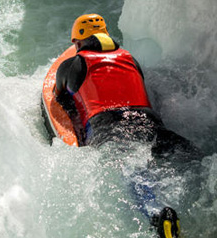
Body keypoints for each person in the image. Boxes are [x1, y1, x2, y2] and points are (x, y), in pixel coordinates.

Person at [53, 13, 198, 160]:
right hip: (148, 121)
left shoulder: (71, 65)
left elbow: (59, 98)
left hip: (107, 126)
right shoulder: (130, 59)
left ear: (77, 44)